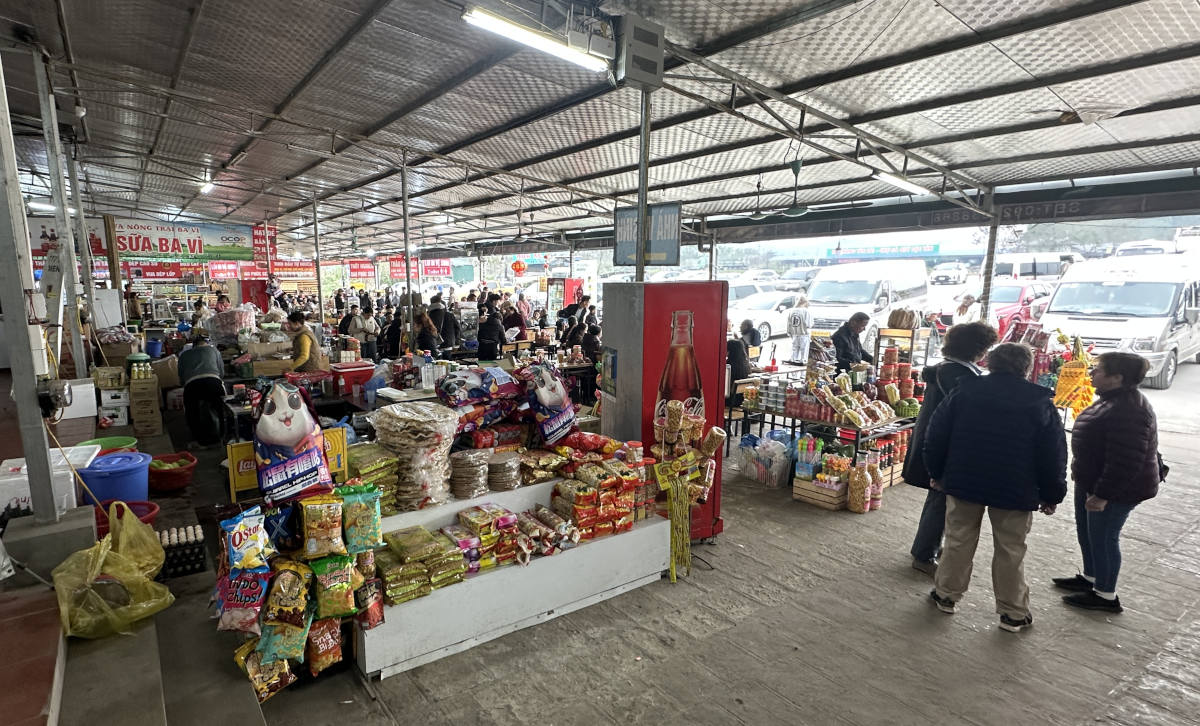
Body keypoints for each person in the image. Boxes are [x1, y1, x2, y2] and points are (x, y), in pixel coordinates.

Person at [923, 343, 1067, 633]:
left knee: (958, 539)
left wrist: (936, 473)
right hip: (1016, 487)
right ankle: (1013, 613)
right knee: (1011, 549)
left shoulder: (965, 391)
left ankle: (946, 595)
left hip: (965, 480)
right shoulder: (1038, 402)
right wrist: (1052, 493)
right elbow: (1053, 452)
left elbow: (936, 434)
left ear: (989, 362)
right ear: (1026, 368)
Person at [1054, 352, 1162, 613]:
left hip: (1116, 489)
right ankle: (1091, 578)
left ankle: (1105, 594)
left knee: (1103, 538)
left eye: (1099, 370)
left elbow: (1125, 461)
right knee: (1088, 532)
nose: (1092, 374)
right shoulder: (1113, 400)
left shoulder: (1129, 411)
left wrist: (1103, 495)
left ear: (1117, 378)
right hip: (1093, 480)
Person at [903, 322, 999, 576]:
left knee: (938, 500)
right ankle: (924, 554)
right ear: (977, 350)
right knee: (941, 501)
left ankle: (927, 548)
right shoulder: (960, 377)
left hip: (935, 443)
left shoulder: (947, 369)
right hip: (945, 447)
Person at [178, 332, 226, 447]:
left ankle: (197, 440)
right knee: (221, 409)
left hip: (192, 385)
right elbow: (221, 373)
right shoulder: (214, 351)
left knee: (192, 412)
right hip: (213, 383)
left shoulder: (183, 355)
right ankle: (222, 437)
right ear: (206, 343)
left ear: (193, 345)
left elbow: (181, 378)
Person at [785, 295, 812, 365]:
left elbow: (789, 324)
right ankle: (803, 361)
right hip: (804, 334)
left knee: (794, 348)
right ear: (805, 302)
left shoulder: (792, 311)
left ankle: (793, 359)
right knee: (804, 349)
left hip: (795, 333)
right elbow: (809, 324)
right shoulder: (806, 311)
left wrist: (789, 332)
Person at [725, 339, 751, 409]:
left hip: (730, 401)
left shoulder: (728, 367)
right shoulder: (746, 365)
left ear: (730, 351)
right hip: (743, 400)